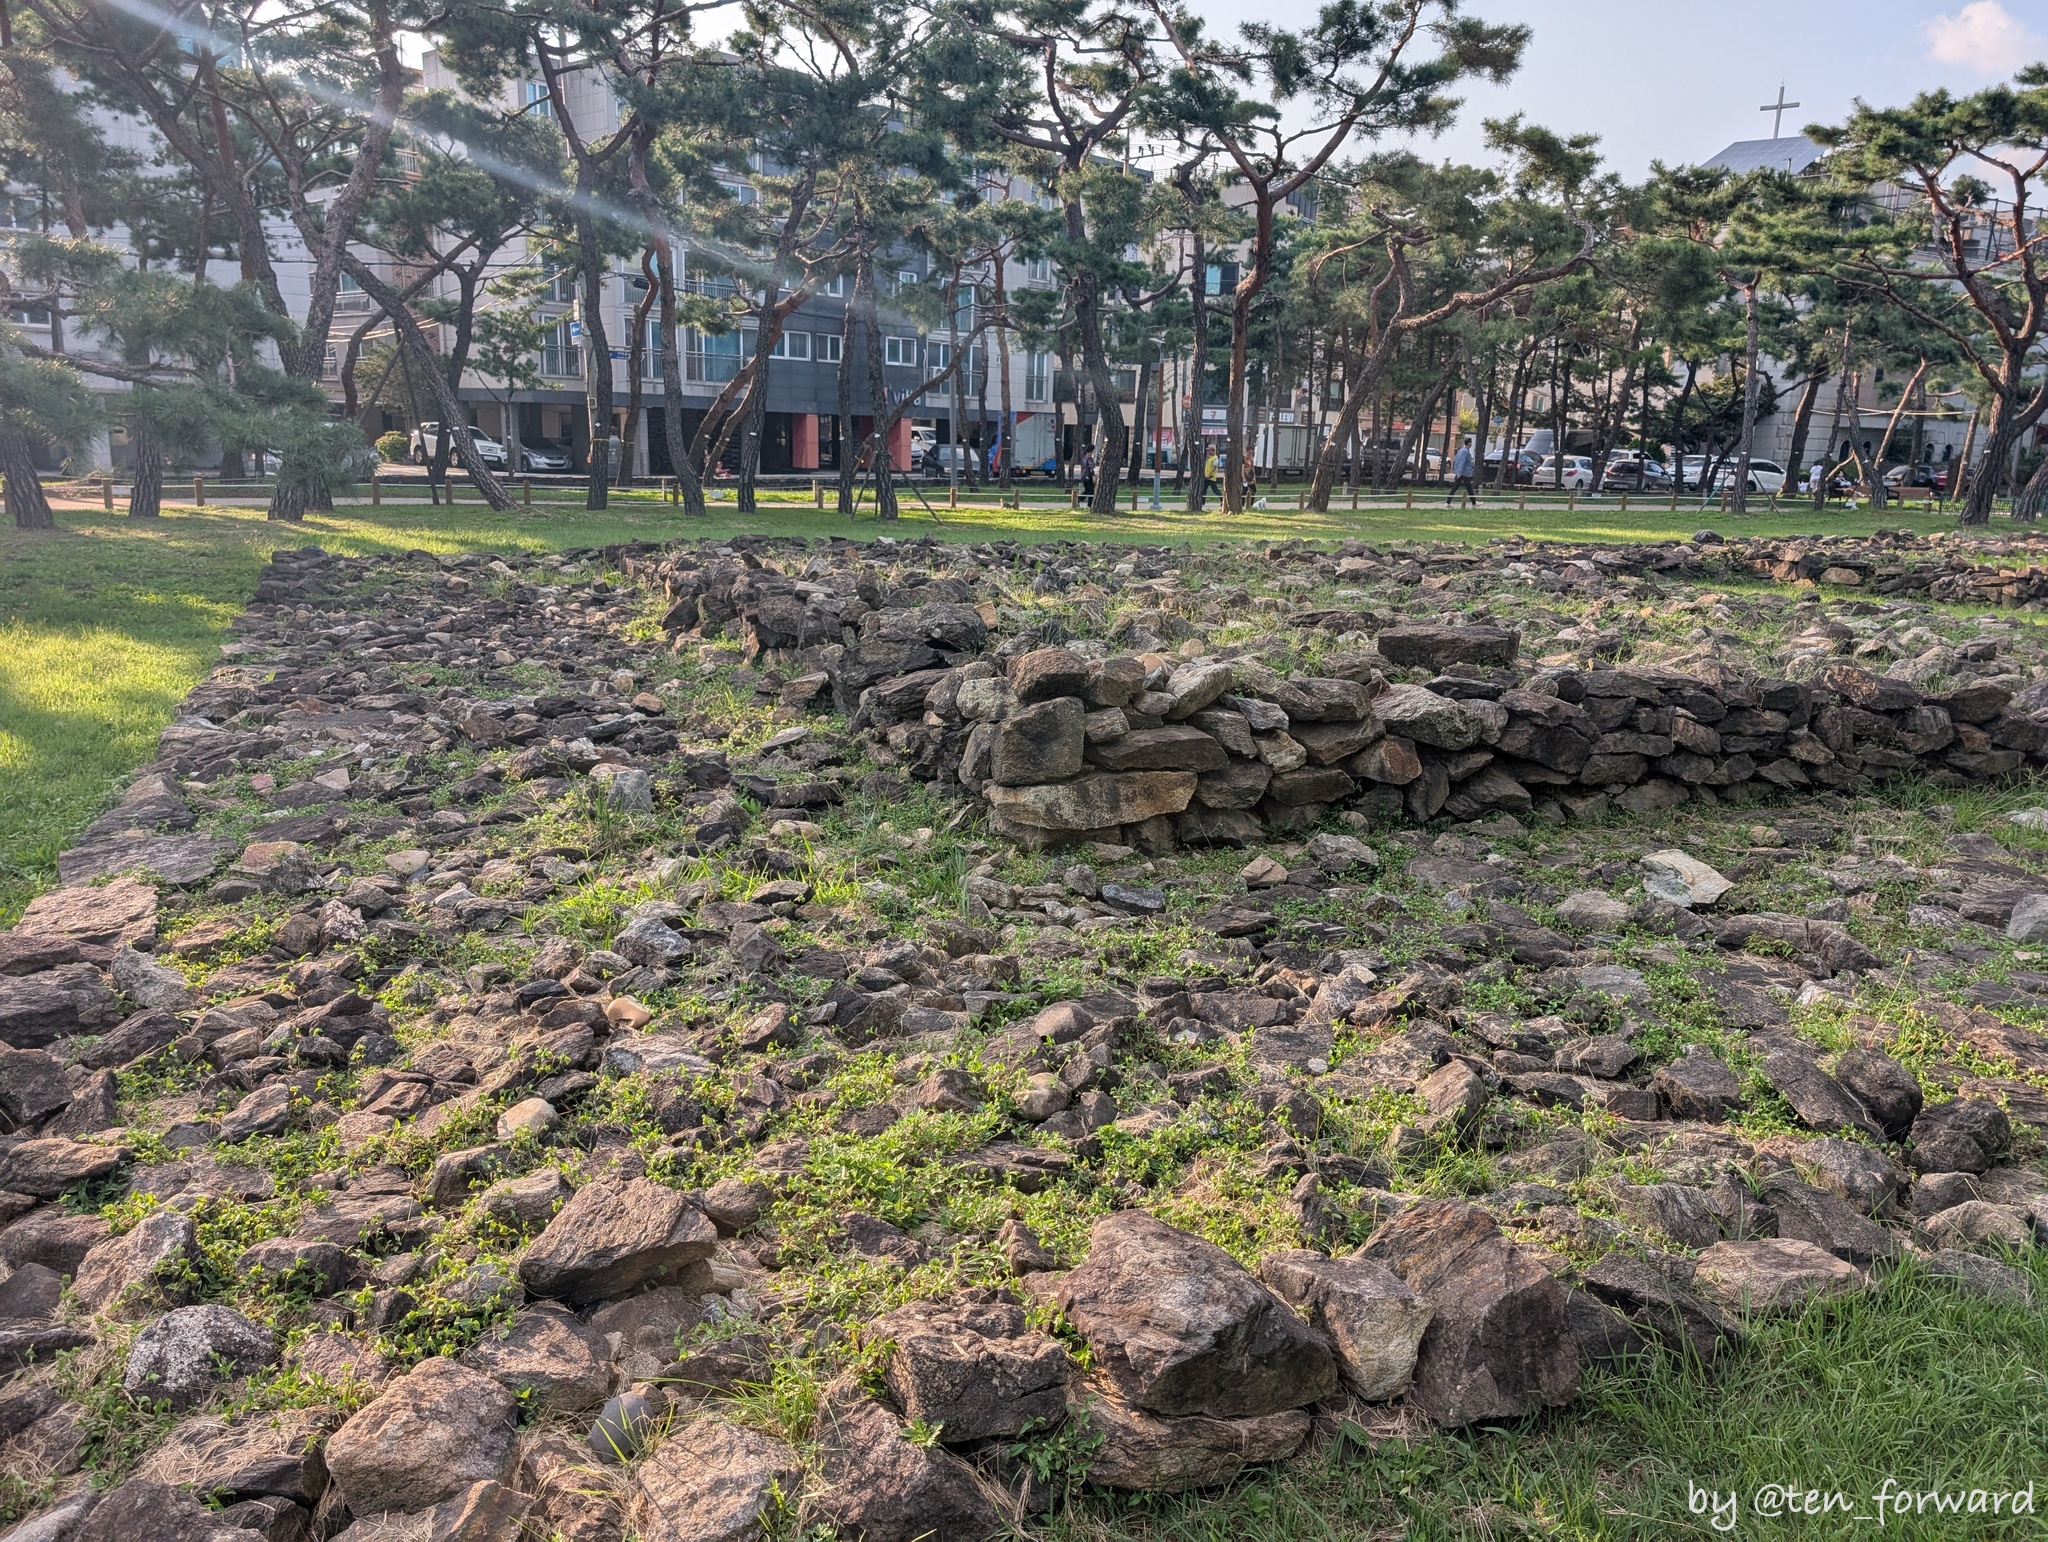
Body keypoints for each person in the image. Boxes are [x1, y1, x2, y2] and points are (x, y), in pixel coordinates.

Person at [1447, 437, 1478, 506]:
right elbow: (1462, 462)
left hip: (1461, 473)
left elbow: (1457, 460)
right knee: (1469, 488)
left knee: (1455, 487)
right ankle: (1474, 503)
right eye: (1471, 442)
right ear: (1469, 443)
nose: (1471, 444)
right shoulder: (1466, 452)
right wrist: (1459, 472)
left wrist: (1457, 471)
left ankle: (1448, 502)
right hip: (1464, 473)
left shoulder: (1461, 450)